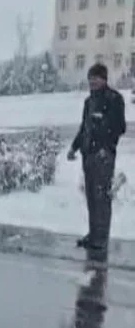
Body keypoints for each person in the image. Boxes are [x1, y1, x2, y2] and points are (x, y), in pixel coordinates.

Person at [68, 63, 126, 262]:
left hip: (103, 155)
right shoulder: (88, 101)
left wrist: (105, 142)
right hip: (88, 154)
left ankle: (101, 238)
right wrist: (74, 147)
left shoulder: (114, 99)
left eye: (96, 78)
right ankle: (93, 233)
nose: (92, 81)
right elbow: (84, 127)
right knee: (91, 196)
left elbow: (120, 127)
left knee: (101, 197)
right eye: (90, 78)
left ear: (104, 79)